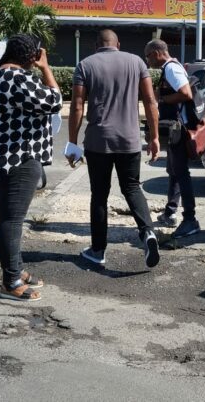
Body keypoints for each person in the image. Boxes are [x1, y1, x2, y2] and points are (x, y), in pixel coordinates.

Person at [67, 30, 162, 268]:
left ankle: (98, 251)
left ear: (96, 45)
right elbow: (150, 101)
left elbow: (77, 105)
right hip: (129, 141)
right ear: (117, 44)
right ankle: (148, 233)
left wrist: (72, 142)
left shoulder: (85, 65)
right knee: (132, 187)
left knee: (99, 195)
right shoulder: (137, 62)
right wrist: (154, 136)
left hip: (98, 142)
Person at [0, 34, 62, 301]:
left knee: (8, 218)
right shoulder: (18, 79)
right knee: (12, 220)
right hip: (18, 158)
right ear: (32, 56)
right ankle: (10, 281)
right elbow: (55, 101)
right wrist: (46, 68)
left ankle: (14, 270)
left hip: (2, 157)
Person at [145, 39, 201, 238]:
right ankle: (170, 212)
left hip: (179, 129)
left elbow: (185, 93)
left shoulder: (171, 69)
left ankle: (190, 219)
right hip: (175, 129)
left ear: (158, 52)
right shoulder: (172, 68)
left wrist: (160, 99)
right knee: (174, 171)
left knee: (181, 173)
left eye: (148, 55)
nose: (148, 60)